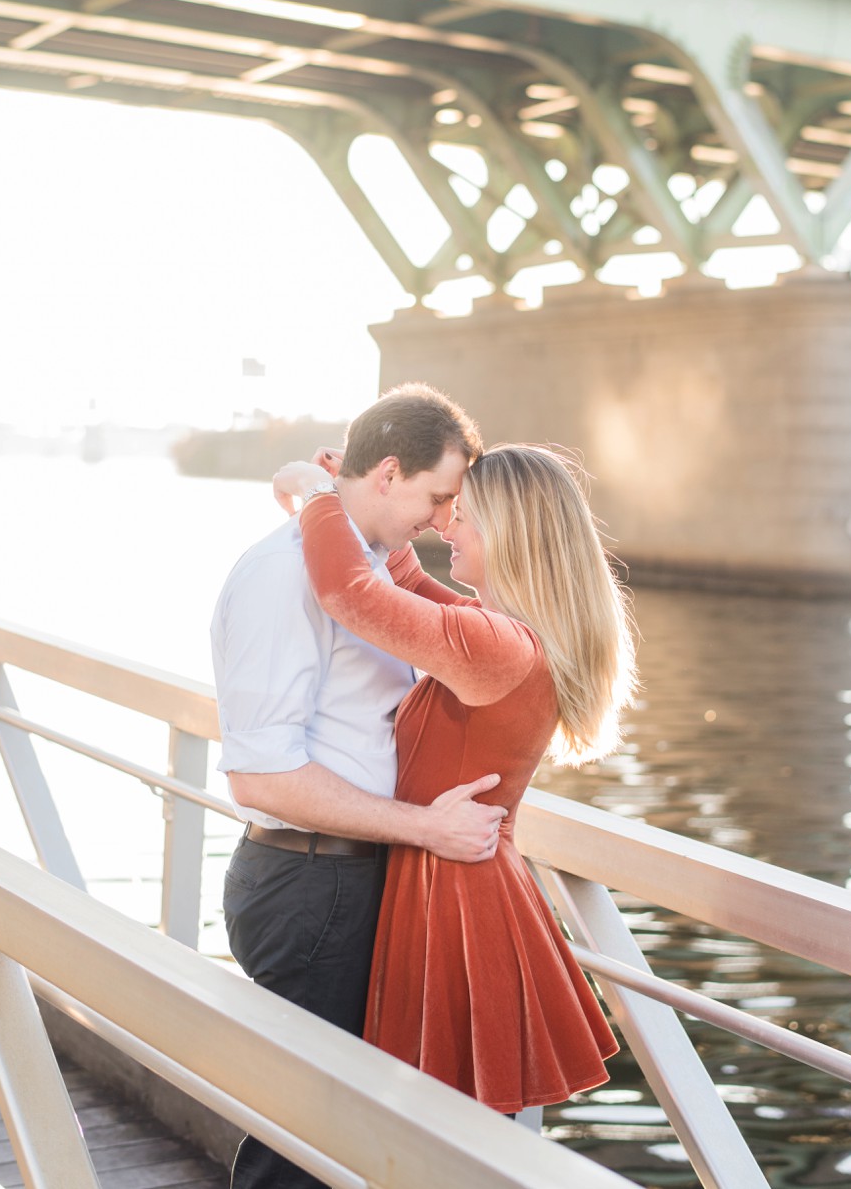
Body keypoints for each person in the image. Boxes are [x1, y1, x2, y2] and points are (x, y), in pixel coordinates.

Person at [273, 443, 637, 1116]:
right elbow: (405, 589)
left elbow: (348, 593)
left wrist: (314, 498)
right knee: (443, 1141)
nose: (446, 526)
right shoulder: (508, 636)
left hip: (453, 901)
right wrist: (355, 495)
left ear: (510, 533)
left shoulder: (497, 646)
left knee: (435, 1140)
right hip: (463, 884)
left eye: (462, 515)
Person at [212, 383, 505, 1189]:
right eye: (438, 496)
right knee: (299, 1148)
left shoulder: (371, 567)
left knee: (342, 1138)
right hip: (312, 885)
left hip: (350, 877)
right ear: (386, 473)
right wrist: (425, 829)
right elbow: (260, 774)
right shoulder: (286, 576)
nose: (444, 519)